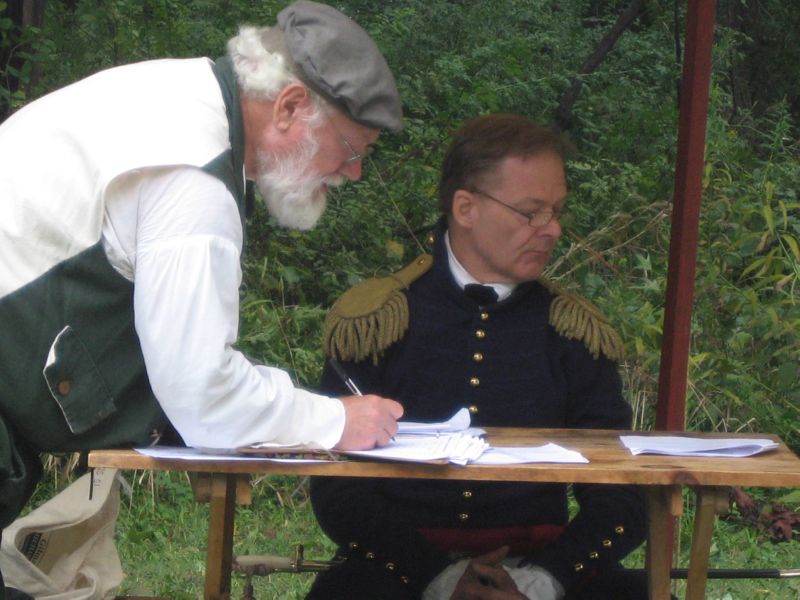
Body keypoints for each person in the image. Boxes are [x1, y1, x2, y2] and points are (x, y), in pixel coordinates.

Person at [0, 0, 404, 552]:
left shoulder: (180, 95)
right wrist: (334, 421)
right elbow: (203, 393)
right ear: (289, 106)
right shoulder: (194, 176)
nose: (352, 173)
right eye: (353, 148)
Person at [308, 114, 648, 600]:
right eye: (531, 213)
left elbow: (620, 492)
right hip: (399, 570)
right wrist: (435, 575)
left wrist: (545, 578)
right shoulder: (377, 322)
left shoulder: (573, 333)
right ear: (466, 208)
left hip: (544, 564)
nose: (552, 229)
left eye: (556, 211)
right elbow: (337, 485)